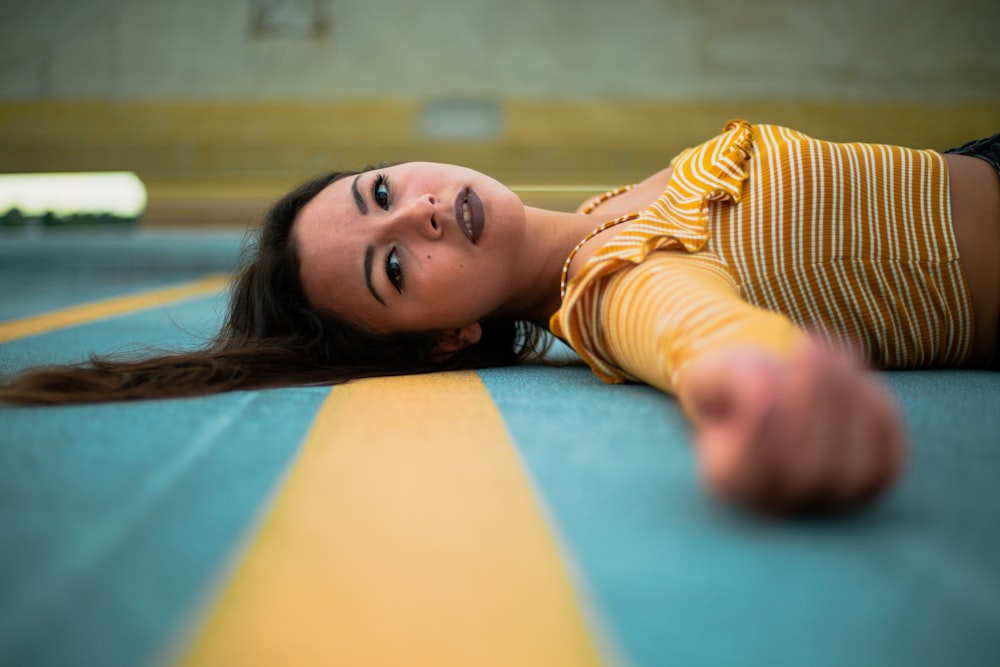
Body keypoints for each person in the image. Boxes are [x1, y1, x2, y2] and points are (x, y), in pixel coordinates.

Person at [3, 120, 998, 517]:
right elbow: (696, 330)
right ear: (444, 341)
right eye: (396, 265)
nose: (419, 210)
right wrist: (764, 390)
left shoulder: (612, 210)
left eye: (382, 188)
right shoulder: (609, 283)